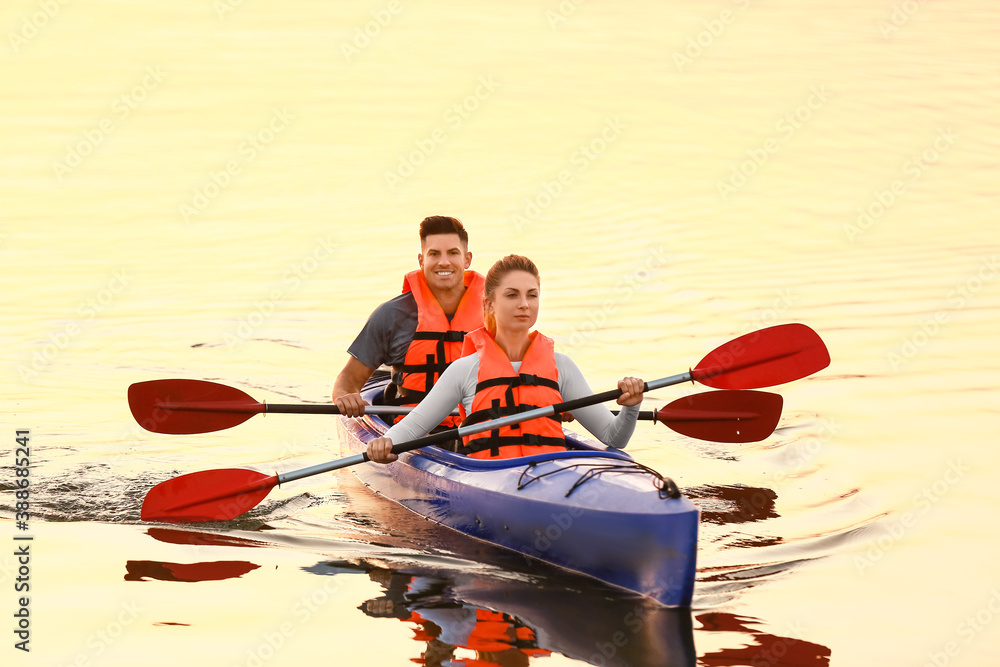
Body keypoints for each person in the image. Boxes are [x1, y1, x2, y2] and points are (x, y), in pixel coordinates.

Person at [367, 254, 645, 463]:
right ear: (488, 304)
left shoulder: (562, 366)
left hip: (552, 475)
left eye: (532, 295)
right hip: (487, 478)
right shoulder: (464, 370)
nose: (524, 304)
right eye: (512, 295)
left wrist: (631, 406)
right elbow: (415, 426)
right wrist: (385, 444)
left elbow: (614, 438)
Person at [333, 216, 485, 426]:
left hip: (479, 425)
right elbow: (348, 380)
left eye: (453, 253)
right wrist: (346, 396)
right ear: (421, 260)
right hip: (415, 428)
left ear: (467, 259)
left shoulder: (496, 313)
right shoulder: (392, 315)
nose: (444, 262)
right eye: (434, 254)